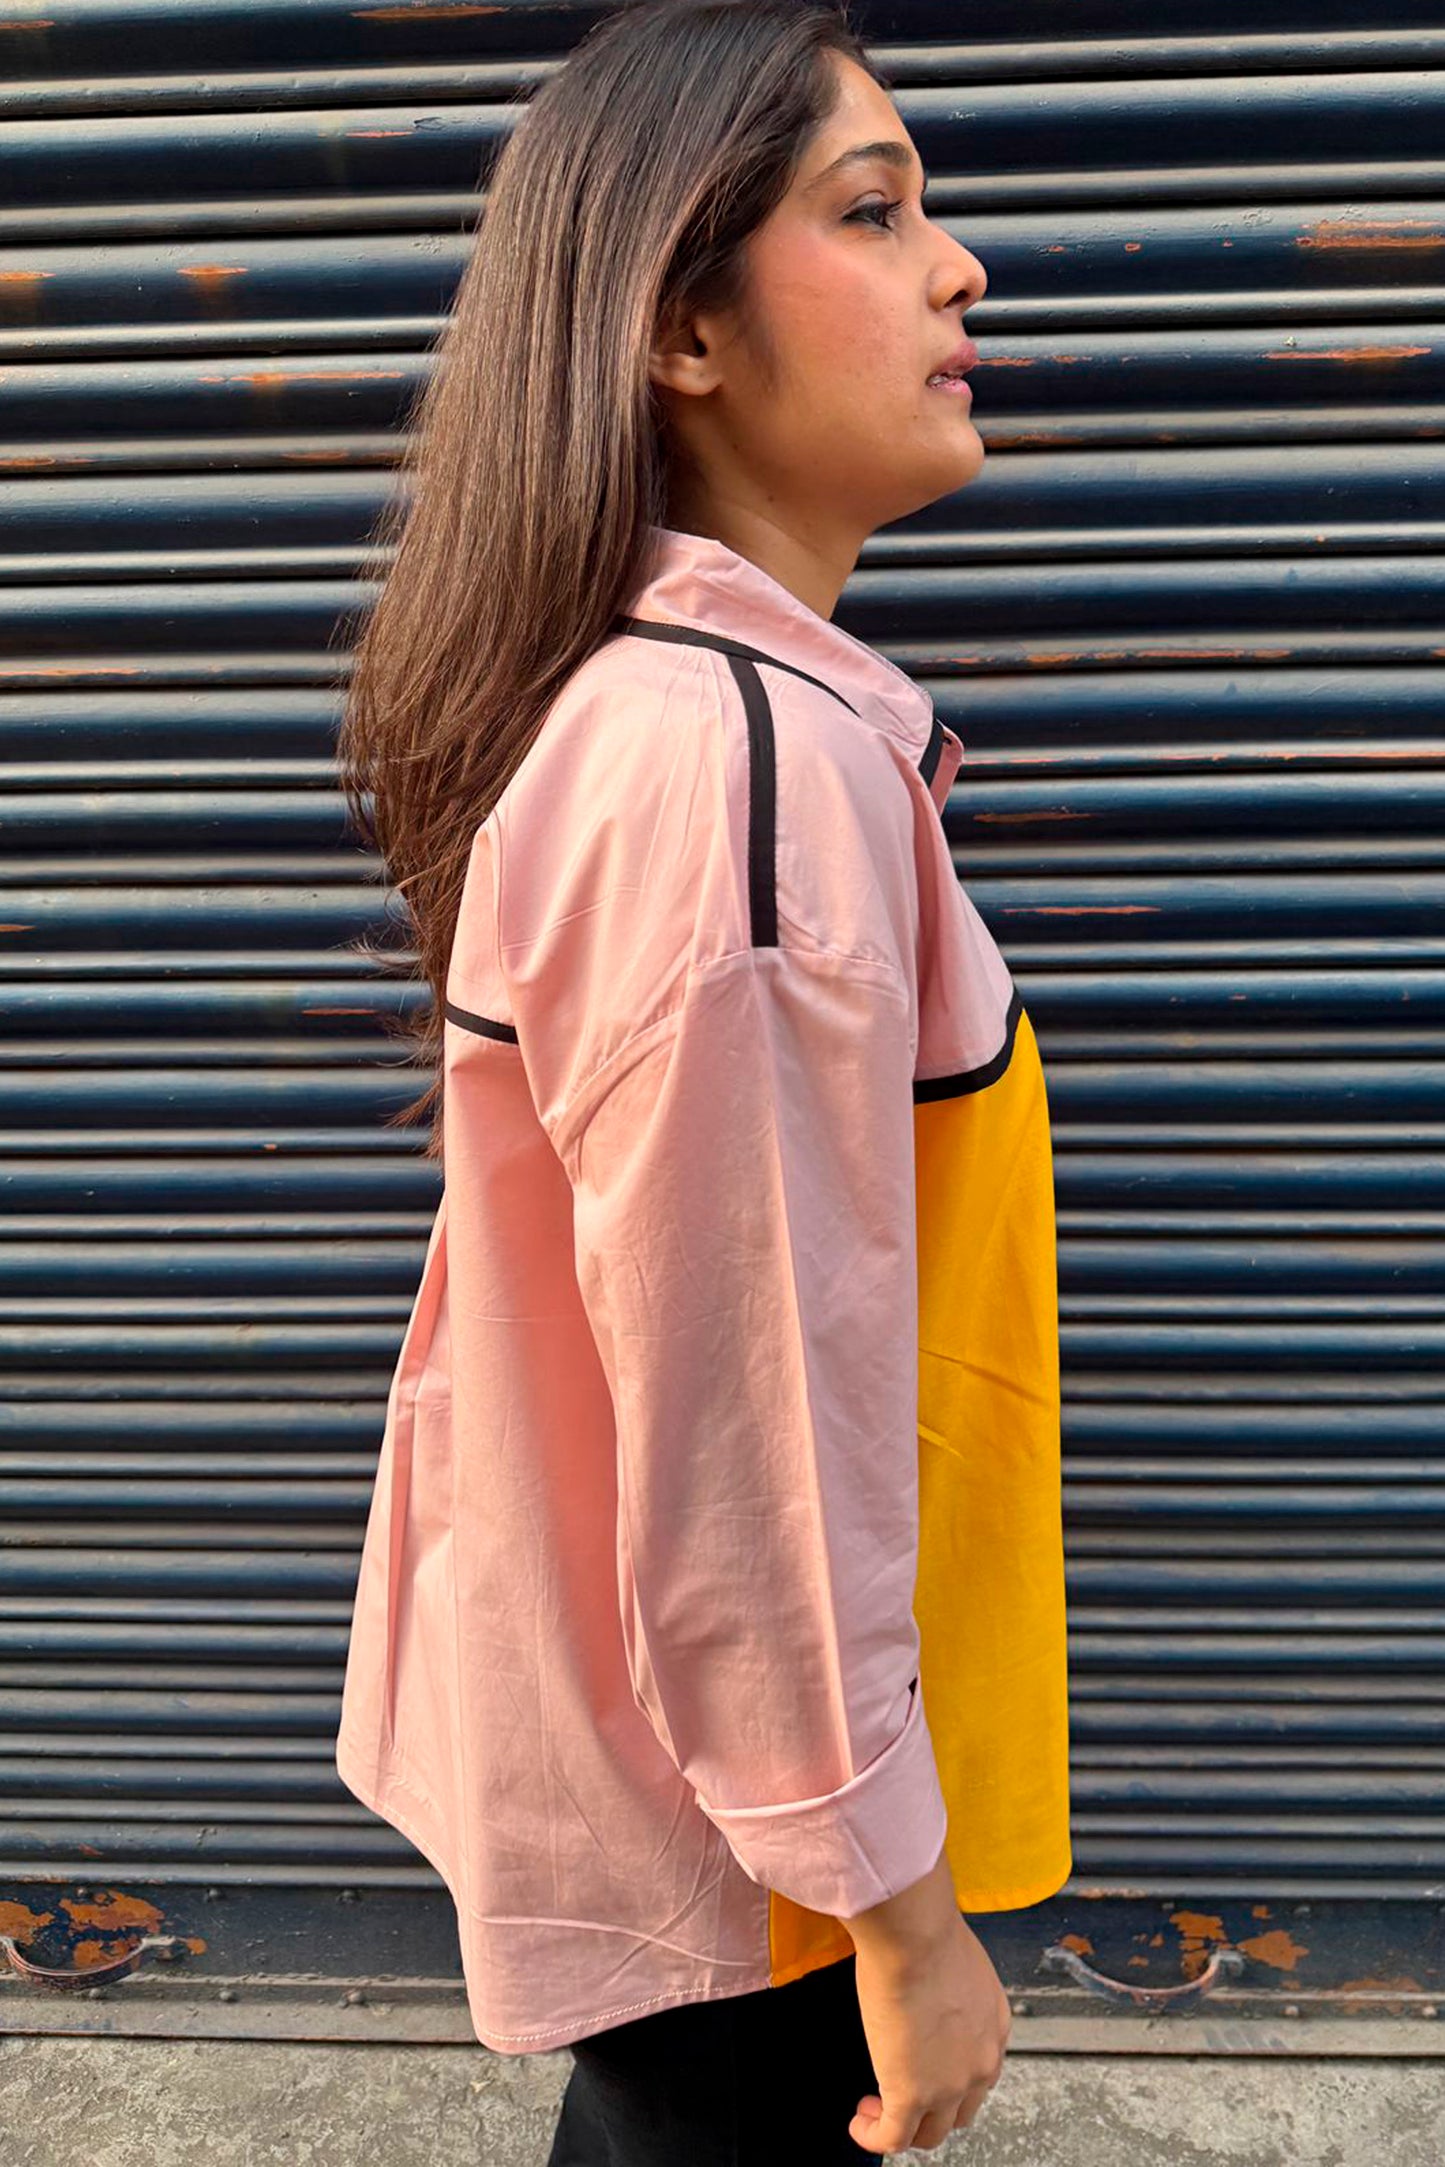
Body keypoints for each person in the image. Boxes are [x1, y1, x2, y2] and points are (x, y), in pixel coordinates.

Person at [332, 2, 1072, 2159]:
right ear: (680, 331)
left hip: (699, 1793)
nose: (962, 268)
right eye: (876, 211)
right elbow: (748, 1428)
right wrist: (896, 1912)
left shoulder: (694, 720)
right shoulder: (729, 772)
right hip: (750, 1862)